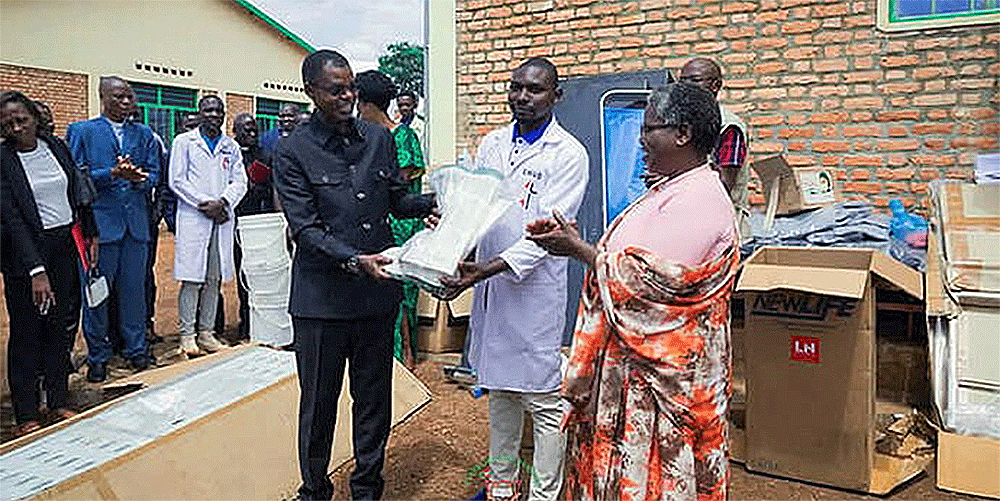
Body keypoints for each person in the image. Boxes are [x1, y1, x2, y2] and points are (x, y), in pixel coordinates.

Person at [528, 83, 738, 501]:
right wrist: (579, 243)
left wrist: (579, 250)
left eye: (649, 130)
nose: (641, 140)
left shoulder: (699, 199)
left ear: (682, 134)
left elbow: (650, 291)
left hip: (663, 389)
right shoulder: (673, 188)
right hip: (630, 380)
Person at [273, 49, 436, 501]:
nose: (348, 96)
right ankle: (314, 490)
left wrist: (434, 203)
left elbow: (397, 199)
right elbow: (305, 229)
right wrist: (353, 260)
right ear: (311, 92)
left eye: (351, 88)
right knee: (319, 406)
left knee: (373, 404)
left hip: (374, 298)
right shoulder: (293, 150)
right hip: (322, 304)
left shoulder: (378, 140)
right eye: (336, 89)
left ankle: (367, 489)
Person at [440, 57, 589, 501]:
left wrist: (485, 269)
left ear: (555, 96)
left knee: (543, 400)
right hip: (491, 285)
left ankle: (544, 493)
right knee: (501, 392)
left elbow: (550, 234)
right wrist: (451, 240)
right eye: (516, 87)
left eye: (535, 90)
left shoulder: (569, 154)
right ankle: (501, 486)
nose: (522, 97)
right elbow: (475, 208)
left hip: (533, 289)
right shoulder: (492, 145)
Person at [1, 91, 98, 436]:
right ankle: (26, 411)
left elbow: (77, 192)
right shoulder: (4, 159)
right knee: (28, 331)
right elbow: (11, 219)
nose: (17, 127)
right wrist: (35, 270)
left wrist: (90, 234)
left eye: (22, 119)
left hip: (63, 245)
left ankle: (57, 401)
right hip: (23, 254)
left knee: (59, 328)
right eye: (9, 123)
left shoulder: (55, 146)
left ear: (34, 118)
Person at [66, 76, 160, 382]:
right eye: (119, 97)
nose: (127, 103)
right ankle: (98, 357)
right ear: (103, 97)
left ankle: (136, 350)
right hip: (101, 228)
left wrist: (139, 178)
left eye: (130, 97)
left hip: (136, 227)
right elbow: (76, 177)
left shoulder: (145, 134)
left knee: (134, 294)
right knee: (97, 295)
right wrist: (112, 173)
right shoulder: (83, 131)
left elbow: (156, 174)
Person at [355, 69, 426, 367]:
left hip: (402, 221)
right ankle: (395, 352)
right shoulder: (367, 137)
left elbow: (405, 175)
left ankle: (405, 353)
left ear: (366, 103)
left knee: (401, 286)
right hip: (381, 219)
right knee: (384, 285)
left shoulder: (402, 135)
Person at [168, 95, 247, 357]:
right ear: (200, 113)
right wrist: (207, 204)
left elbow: (240, 181)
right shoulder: (184, 142)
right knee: (192, 278)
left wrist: (223, 202)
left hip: (221, 218)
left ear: (224, 115)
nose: (214, 114)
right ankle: (187, 335)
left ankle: (206, 333)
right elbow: (177, 181)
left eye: (218, 111)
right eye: (208, 110)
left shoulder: (230, 146)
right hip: (195, 216)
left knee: (213, 279)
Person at [679, 57, 751, 242]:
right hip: (692, 226)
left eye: (694, 81)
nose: (686, 87)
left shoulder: (728, 127)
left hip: (722, 233)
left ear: (715, 85)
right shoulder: (684, 124)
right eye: (682, 81)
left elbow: (723, 188)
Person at [232, 112, 274, 340]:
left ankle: (261, 322)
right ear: (234, 131)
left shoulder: (265, 154)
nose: (251, 133)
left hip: (260, 221)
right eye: (245, 129)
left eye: (254, 130)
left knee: (261, 273)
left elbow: (274, 187)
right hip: (234, 222)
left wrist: (259, 186)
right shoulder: (230, 153)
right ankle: (245, 321)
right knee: (241, 274)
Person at [395, 90, 426, 164]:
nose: (404, 108)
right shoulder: (395, 126)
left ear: (415, 105)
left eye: (407, 105)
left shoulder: (422, 125)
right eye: (400, 105)